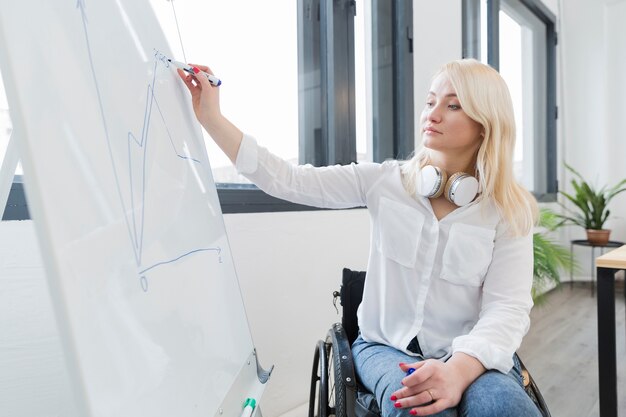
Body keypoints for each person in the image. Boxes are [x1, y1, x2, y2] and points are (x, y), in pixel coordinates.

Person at [178, 58, 541, 417]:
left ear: (484, 124)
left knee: (503, 406)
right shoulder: (385, 182)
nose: (432, 114)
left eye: (453, 105)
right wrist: (211, 117)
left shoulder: (508, 210)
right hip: (385, 348)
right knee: (416, 407)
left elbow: (507, 309)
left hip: (469, 353)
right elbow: (287, 179)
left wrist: (458, 370)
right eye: (431, 101)